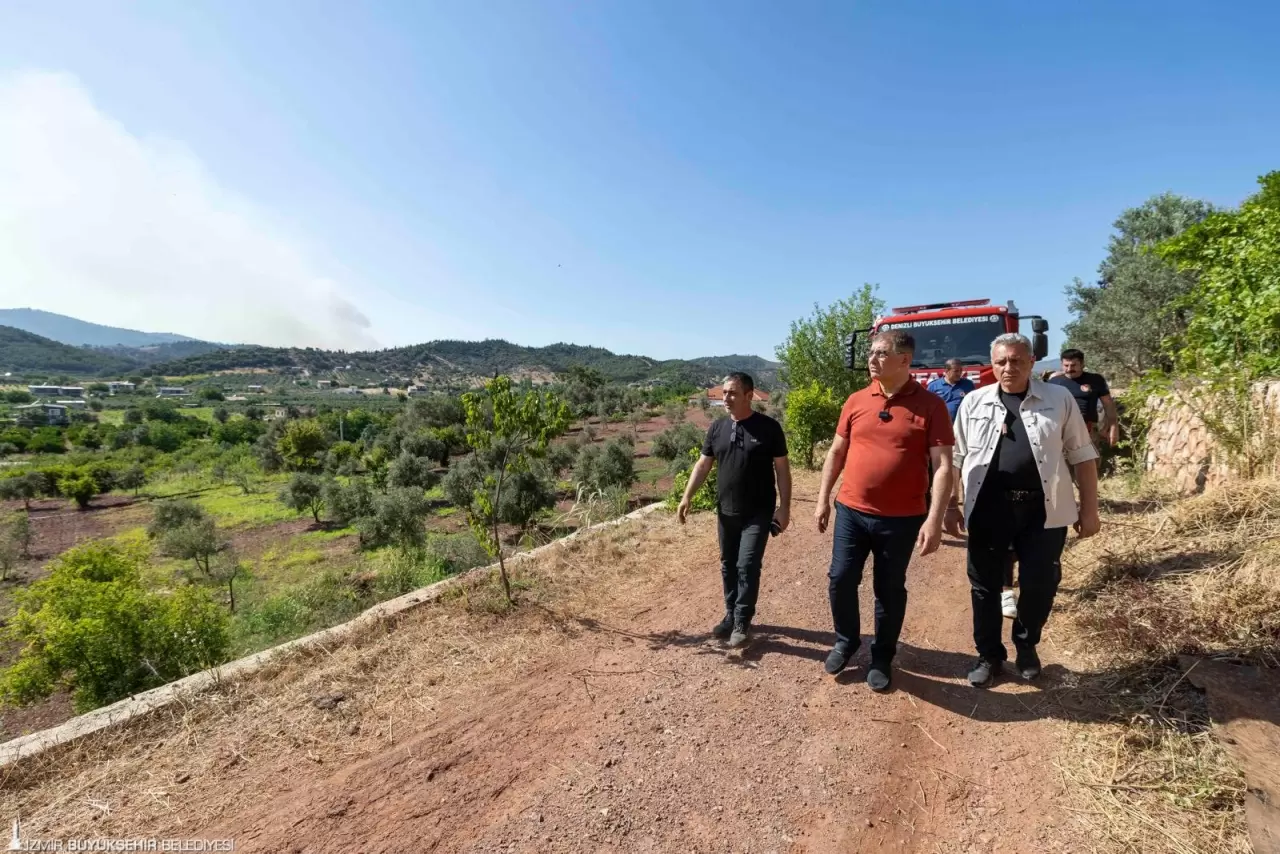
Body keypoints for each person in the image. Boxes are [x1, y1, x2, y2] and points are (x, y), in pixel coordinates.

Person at [950, 333, 1101, 688]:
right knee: (985, 586)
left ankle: (1027, 644)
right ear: (992, 364)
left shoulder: (1058, 398)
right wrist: (949, 507)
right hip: (988, 509)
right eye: (1001, 361)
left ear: (1031, 362)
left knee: (1040, 583)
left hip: (1042, 512)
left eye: (1017, 360)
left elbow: (1082, 455)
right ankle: (989, 655)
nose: (1009, 367)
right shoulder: (973, 402)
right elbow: (955, 459)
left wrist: (1089, 510)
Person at [814, 330, 955, 692]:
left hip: (902, 517)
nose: (871, 359)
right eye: (871, 353)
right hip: (852, 510)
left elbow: (942, 466)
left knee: (889, 589)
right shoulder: (857, 400)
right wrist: (822, 498)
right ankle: (846, 641)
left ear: (904, 360)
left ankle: (881, 656)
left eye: (880, 353)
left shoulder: (931, 405)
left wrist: (935, 518)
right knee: (840, 578)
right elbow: (836, 452)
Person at [678, 372, 791, 649]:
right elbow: (703, 465)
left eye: (732, 393)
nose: (726, 398)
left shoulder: (769, 428)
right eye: (724, 393)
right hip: (726, 511)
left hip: (759, 511)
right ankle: (730, 615)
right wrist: (686, 496)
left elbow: (782, 470)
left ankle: (742, 620)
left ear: (749, 396)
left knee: (747, 565)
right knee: (728, 565)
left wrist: (784, 508)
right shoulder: (717, 428)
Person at [1049, 349, 1119, 447]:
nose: (1069, 369)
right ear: (1061, 364)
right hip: (1061, 431)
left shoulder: (1095, 380)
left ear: (1082, 364)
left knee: (1091, 461)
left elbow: (1108, 404)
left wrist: (1113, 426)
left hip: (1088, 431)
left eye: (1073, 365)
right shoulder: (1054, 382)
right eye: (1066, 365)